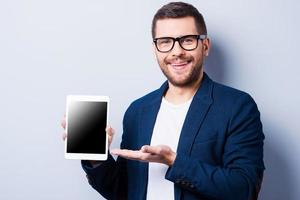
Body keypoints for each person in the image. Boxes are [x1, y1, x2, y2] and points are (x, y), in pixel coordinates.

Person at [61, 2, 265, 200]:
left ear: (205, 46)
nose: (177, 52)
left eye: (187, 40)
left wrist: (173, 161)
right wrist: (96, 156)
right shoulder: (138, 111)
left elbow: (244, 189)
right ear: (155, 49)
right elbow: (123, 192)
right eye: (165, 42)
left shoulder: (237, 107)